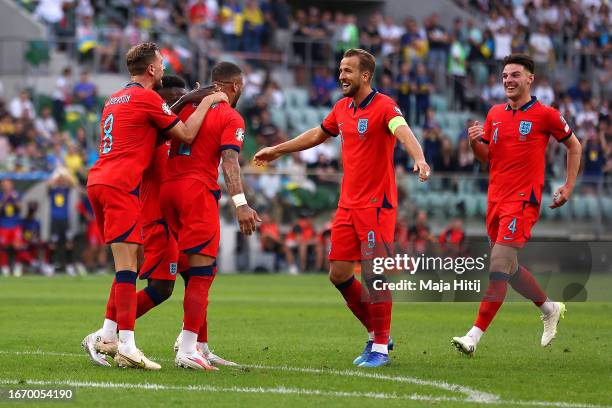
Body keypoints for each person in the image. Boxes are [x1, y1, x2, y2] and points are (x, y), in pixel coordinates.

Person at [254, 48, 430, 368]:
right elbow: (317, 135)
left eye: (347, 70)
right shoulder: (342, 108)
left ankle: (379, 347)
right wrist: (278, 150)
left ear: (365, 76)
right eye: (340, 70)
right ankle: (378, 332)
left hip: (377, 205)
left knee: (376, 275)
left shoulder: (385, 106)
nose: (341, 76)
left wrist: (419, 158)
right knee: (339, 274)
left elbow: (403, 132)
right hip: (348, 204)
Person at [82, 42, 225, 370]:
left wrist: (185, 101)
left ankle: (111, 335)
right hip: (127, 191)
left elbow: (149, 135)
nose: (163, 67)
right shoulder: (147, 99)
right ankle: (119, 340)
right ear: (151, 69)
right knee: (129, 270)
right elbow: (186, 134)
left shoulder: (114, 98)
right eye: (161, 63)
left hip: (101, 180)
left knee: (133, 269)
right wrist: (210, 101)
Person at [452, 54, 582, 355]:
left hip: (523, 201)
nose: (509, 80)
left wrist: (568, 185)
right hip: (495, 200)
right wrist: (474, 143)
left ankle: (473, 336)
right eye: (505, 76)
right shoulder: (494, 114)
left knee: (497, 264)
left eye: (515, 75)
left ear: (529, 79)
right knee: (508, 269)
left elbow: (574, 145)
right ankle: (549, 309)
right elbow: (489, 158)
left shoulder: (545, 114)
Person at [160, 61, 259, 371]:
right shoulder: (230, 116)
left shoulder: (187, 109)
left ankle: (199, 344)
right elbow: (229, 161)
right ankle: (187, 347)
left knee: (196, 273)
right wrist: (241, 203)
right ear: (235, 87)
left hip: (167, 191)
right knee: (203, 272)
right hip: (196, 191)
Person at [0, 179, 25, 277]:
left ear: (12, 185)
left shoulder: (17, 195)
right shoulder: (1, 196)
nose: (6, 186)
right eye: (4, 185)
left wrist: (14, 199)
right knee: (3, 247)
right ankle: (5, 267)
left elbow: (20, 208)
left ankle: (18, 266)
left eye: (8, 184)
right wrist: (5, 198)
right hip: (3, 225)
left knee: (18, 246)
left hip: (15, 225)